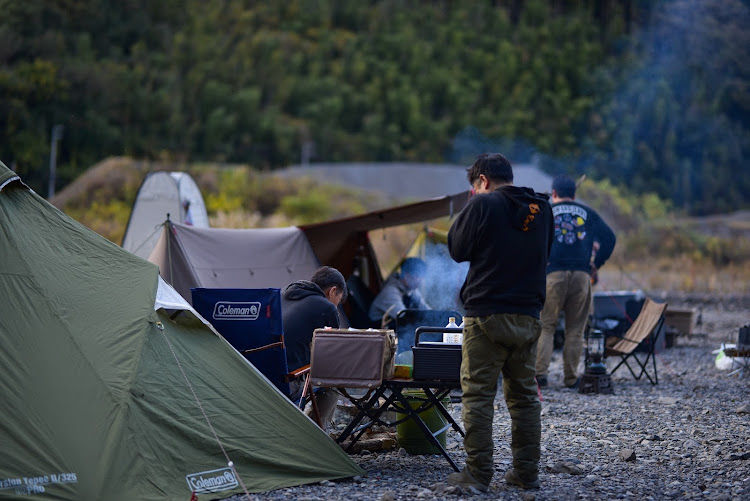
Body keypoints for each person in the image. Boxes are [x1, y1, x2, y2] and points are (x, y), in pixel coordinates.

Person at [446, 153, 553, 492]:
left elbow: (457, 249)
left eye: (474, 187)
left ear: (482, 181)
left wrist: (472, 205)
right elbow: (544, 252)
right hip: (528, 315)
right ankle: (526, 473)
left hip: (486, 314)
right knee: (524, 399)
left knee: (477, 395)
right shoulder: (542, 209)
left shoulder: (483, 204)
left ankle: (477, 474)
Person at [535, 175, 616, 389]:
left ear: (553, 193)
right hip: (581, 275)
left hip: (552, 274)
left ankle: (540, 375)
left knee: (546, 326)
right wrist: (596, 263)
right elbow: (609, 238)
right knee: (575, 329)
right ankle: (571, 378)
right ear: (574, 194)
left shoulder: (545, 211)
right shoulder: (587, 213)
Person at [281, 266, 347, 428]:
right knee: (331, 385)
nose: (337, 305)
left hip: (257, 377)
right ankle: (313, 432)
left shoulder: (281, 296)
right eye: (339, 300)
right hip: (288, 382)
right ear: (332, 291)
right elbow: (333, 355)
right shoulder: (326, 307)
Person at [368, 257, 431, 325]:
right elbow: (405, 317)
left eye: (422, 277)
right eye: (418, 276)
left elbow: (425, 310)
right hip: (377, 331)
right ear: (406, 275)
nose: (421, 281)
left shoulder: (412, 290)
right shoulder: (390, 292)